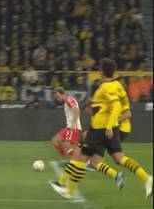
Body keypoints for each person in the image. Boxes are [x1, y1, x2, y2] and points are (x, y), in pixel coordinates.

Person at [49, 58, 153, 200]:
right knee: (118, 159)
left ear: (102, 71)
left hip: (100, 128)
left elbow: (115, 106)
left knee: (81, 156)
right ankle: (146, 178)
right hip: (109, 128)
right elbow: (123, 109)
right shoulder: (118, 85)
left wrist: (108, 124)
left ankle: (68, 189)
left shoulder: (105, 88)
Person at [51, 87, 82, 161]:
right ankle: (66, 159)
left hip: (73, 128)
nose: (57, 99)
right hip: (69, 127)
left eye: (58, 97)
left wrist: (73, 125)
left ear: (63, 94)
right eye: (56, 97)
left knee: (68, 146)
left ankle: (81, 161)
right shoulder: (67, 101)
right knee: (55, 141)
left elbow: (76, 110)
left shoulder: (69, 99)